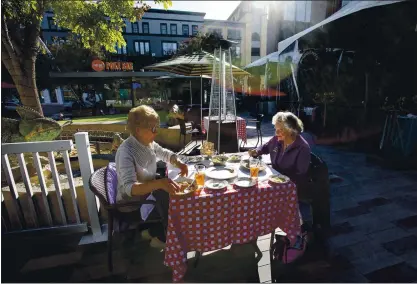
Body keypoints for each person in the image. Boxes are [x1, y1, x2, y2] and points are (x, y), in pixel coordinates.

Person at [115, 105, 188, 249]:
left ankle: (157, 232)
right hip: (132, 204)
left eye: (157, 127)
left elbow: (164, 153)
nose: (156, 132)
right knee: (173, 199)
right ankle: (164, 237)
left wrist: (179, 163)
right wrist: (159, 183)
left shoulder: (147, 142)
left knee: (173, 191)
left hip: (148, 194)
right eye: (153, 129)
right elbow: (130, 189)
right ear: (138, 130)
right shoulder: (126, 152)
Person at [248, 111, 311, 188]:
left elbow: (300, 175)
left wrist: (280, 180)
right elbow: (265, 147)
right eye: (276, 129)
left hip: (288, 187)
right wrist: (256, 151)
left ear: (291, 130)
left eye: (280, 130)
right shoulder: (277, 139)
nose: (276, 133)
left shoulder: (302, 148)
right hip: (273, 180)